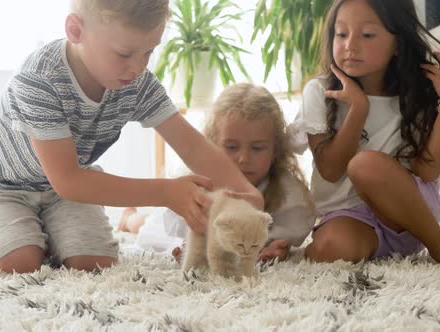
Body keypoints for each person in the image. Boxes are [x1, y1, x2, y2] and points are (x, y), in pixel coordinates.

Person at [0, 0, 262, 274]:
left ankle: (47, 232)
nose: (138, 66)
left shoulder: (138, 83)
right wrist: (166, 193)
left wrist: (248, 193)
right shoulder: (39, 79)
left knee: (94, 263)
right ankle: (25, 236)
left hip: (65, 191)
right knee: (18, 265)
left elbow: (192, 145)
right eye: (124, 54)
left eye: (149, 51)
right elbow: (69, 180)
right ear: (76, 30)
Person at [288, 0, 440, 268]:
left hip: (410, 218)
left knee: (365, 165)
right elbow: (331, 169)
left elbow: (427, 170)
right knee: (327, 251)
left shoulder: (413, 93)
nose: (350, 45)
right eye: (341, 34)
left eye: (367, 35)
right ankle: (371, 250)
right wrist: (358, 108)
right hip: (350, 218)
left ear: (398, 44)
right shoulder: (320, 91)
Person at [120, 83, 316, 262]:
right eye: (231, 147)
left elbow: (289, 229)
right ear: (212, 146)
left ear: (275, 149)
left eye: (257, 148)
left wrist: (278, 245)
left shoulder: (287, 191)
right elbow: (171, 233)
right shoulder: (201, 186)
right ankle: (129, 218)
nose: (244, 158)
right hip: (179, 228)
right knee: (145, 224)